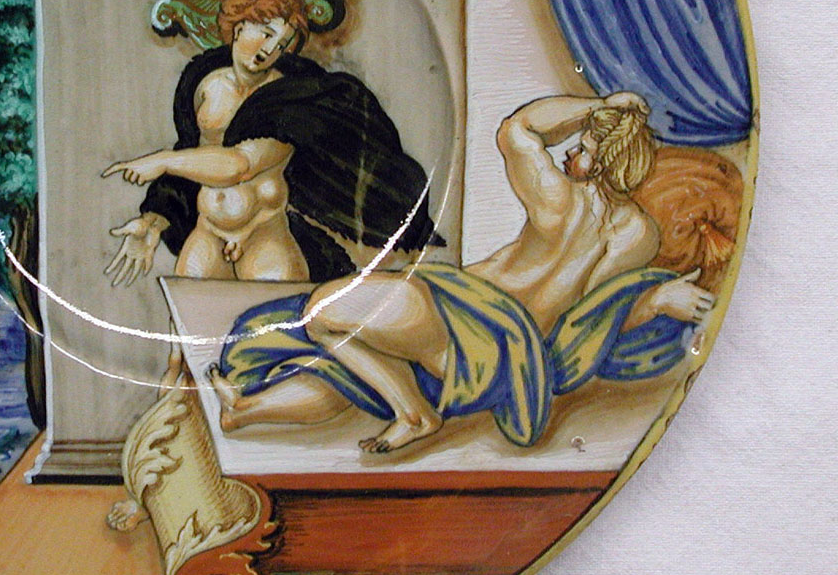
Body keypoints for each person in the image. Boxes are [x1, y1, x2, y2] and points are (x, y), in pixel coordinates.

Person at [211, 92, 716, 454]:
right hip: (498, 358)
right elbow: (599, 315)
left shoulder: (559, 198)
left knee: (323, 313)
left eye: (582, 148)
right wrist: (657, 300)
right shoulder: (638, 236)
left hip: (459, 313)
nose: (569, 152)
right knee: (345, 371)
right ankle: (245, 411)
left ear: (602, 161)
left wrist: (598, 105)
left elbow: (517, 129)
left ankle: (414, 415)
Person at [101, 0, 442, 286]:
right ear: (238, 27)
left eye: (281, 45)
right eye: (266, 34)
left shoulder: (290, 99)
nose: (270, 50)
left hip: (263, 234)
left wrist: (162, 160)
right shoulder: (203, 85)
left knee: (276, 327)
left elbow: (239, 165)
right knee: (190, 324)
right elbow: (190, 159)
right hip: (208, 231)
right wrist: (154, 221)